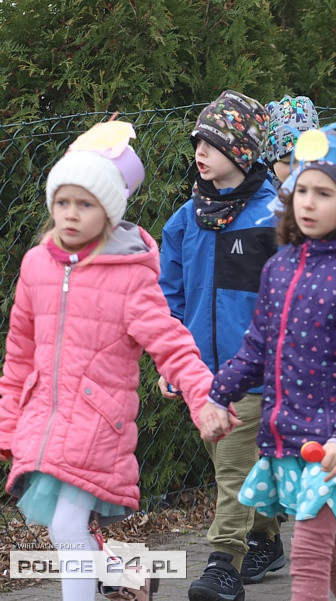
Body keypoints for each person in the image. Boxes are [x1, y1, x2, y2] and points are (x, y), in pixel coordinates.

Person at [0, 122, 221, 601]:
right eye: (63, 202)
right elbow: (18, 355)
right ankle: (130, 574)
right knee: (68, 531)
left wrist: (203, 398)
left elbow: (172, 342)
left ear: (109, 212)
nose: (72, 214)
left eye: (86, 204)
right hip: (45, 424)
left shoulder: (130, 278)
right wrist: (7, 426)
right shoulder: (36, 266)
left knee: (65, 528)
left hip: (98, 426)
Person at [202, 127, 336, 601]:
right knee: (335, 555)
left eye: (323, 193)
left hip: (333, 446)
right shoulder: (280, 266)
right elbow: (256, 347)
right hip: (284, 436)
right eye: (301, 190)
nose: (307, 203)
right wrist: (218, 394)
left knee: (309, 554)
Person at [159, 90, 283, 599]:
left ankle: (222, 563)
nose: (200, 153)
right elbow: (169, 296)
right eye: (198, 143)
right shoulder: (185, 219)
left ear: (243, 152)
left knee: (231, 468)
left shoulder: (272, 215)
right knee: (235, 463)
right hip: (199, 374)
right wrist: (172, 361)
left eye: (212, 144)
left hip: (251, 372)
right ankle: (267, 536)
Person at [263, 95, 320, 185]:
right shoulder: (259, 190)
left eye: (307, 161)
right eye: (288, 162)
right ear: (270, 160)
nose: (299, 170)